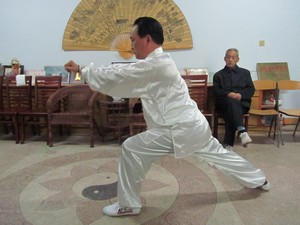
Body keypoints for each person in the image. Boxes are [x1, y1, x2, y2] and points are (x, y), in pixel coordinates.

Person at [65, 17, 270, 217]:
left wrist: (83, 70)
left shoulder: (156, 65)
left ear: (147, 39)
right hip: (193, 126)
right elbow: (133, 79)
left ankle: (128, 204)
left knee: (131, 148)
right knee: (221, 156)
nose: (131, 45)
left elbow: (119, 75)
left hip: (178, 128)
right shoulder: (160, 62)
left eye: (133, 39)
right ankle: (259, 179)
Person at [213, 49, 254, 151]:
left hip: (242, 103)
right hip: (223, 104)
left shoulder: (245, 73)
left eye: (233, 57)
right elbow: (216, 91)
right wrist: (228, 94)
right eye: (228, 57)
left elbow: (251, 89)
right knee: (230, 102)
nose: (230, 60)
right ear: (224, 59)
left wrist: (240, 95)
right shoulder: (218, 75)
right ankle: (242, 131)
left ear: (237, 59)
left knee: (231, 107)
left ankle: (228, 143)